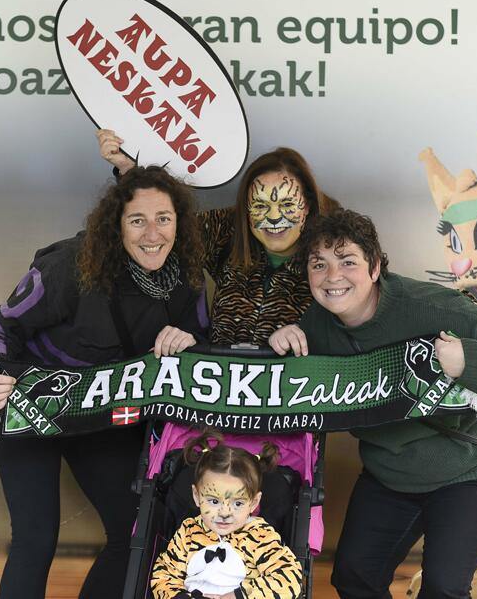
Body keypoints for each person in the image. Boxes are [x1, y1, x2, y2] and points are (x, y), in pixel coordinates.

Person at [269, 209, 477, 599]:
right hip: (392, 470)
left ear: (375, 267)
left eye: (348, 262)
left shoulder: (433, 307)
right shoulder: (316, 326)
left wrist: (469, 358)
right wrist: (285, 339)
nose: (333, 277)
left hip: (472, 463)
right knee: (353, 577)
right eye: (319, 265)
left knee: (443, 588)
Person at [0, 166, 209, 599]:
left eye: (164, 219)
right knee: (35, 538)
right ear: (116, 227)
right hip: (28, 402)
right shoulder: (72, 266)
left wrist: (191, 339)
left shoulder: (187, 280)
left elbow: (204, 347)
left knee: (137, 530)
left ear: (180, 224)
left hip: (101, 414)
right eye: (137, 220)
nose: (152, 233)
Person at [97, 130, 337, 534]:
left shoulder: (331, 246)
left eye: (285, 204)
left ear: (308, 204)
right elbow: (159, 234)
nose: (272, 218)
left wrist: (309, 329)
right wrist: (129, 173)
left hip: (281, 424)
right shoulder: (227, 231)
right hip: (212, 410)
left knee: (275, 498)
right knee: (177, 491)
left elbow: (358, 305)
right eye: (259, 206)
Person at [150, 429, 302, 599]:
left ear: (253, 502)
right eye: (214, 501)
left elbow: (289, 578)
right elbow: (164, 574)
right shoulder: (189, 532)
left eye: (238, 503)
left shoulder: (260, 536)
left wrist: (238, 595)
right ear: (197, 496)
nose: (224, 513)